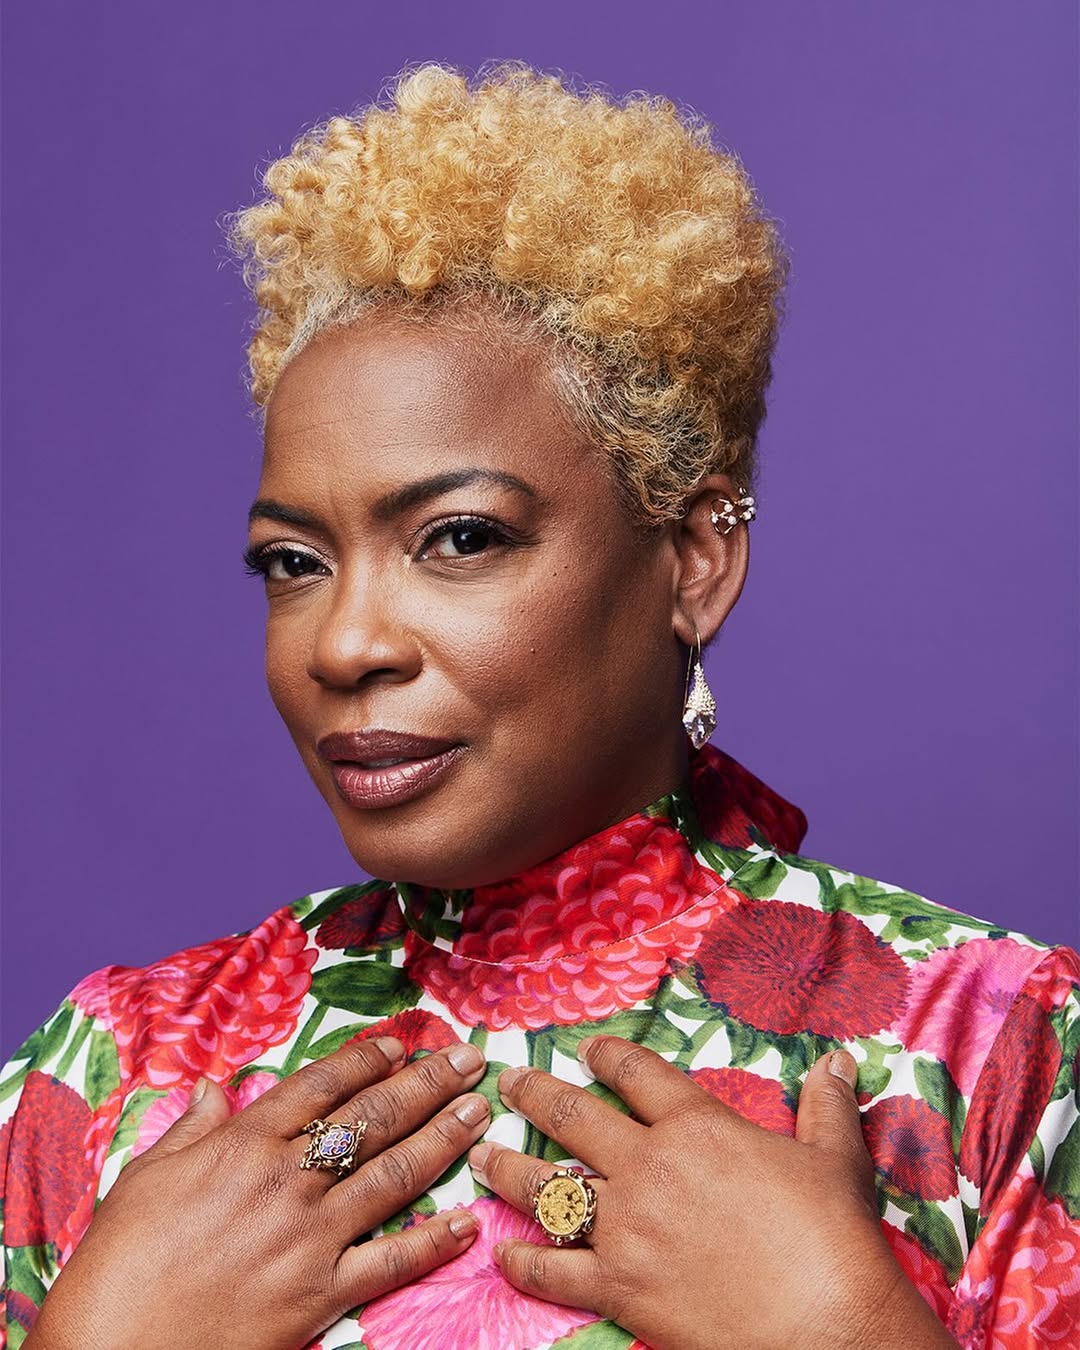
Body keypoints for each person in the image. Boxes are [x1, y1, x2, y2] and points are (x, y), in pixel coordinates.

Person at [1, 62, 1077, 1350]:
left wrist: (843, 1328)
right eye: (294, 562)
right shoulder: (116, 1069)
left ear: (693, 560)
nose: (344, 642)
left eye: (459, 538)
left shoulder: (997, 1046)